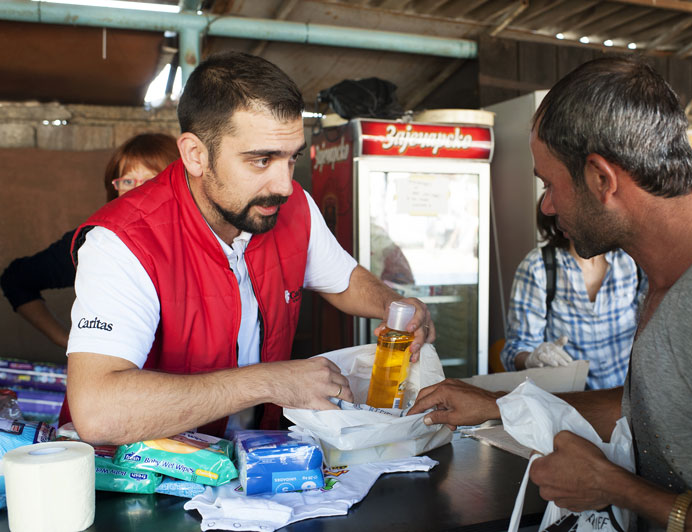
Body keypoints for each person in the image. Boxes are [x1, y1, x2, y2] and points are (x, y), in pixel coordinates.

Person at [409, 57, 692, 531]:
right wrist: (500, 406)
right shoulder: (665, 279)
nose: (548, 206)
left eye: (551, 184)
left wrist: (615, 487)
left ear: (601, 179)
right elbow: (652, 409)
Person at [63, 51, 435, 445]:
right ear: (195, 155)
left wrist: (394, 305)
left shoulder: (292, 207)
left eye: (291, 159)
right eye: (261, 160)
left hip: (254, 463)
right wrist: (269, 381)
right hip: (145, 482)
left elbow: (343, 280)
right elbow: (99, 412)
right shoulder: (122, 242)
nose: (284, 185)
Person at [0, 133, 179, 349]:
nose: (137, 192)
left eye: (151, 181)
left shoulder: (210, 244)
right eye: (128, 181)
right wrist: (67, 341)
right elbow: (16, 279)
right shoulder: (94, 244)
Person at [500, 195, 645, 389]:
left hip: (625, 396)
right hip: (567, 401)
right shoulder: (538, 267)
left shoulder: (630, 258)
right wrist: (532, 359)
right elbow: (515, 350)